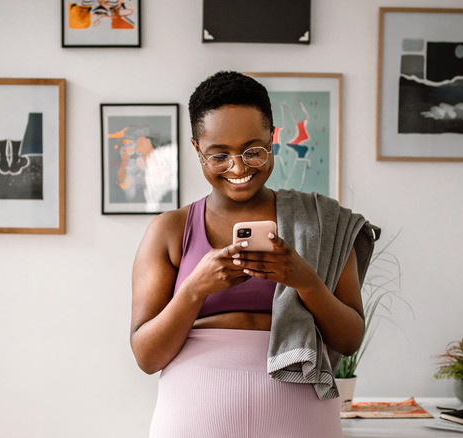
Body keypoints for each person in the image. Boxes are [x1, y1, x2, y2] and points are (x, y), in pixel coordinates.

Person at [130, 71, 378, 437]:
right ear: (197, 149)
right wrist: (196, 288)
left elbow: (349, 339)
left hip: (301, 419)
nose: (239, 168)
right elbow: (146, 357)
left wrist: (304, 280)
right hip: (193, 419)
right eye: (219, 155)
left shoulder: (322, 223)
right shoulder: (169, 230)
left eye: (253, 151)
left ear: (273, 139)